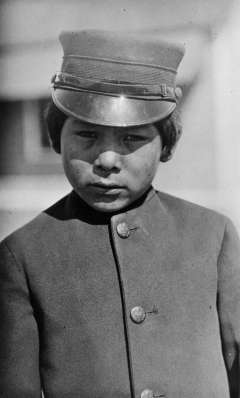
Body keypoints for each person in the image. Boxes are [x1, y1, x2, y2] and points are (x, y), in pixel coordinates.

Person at [0, 30, 239, 398]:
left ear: (167, 145)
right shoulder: (22, 254)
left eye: (131, 139)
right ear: (54, 137)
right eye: (87, 135)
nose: (107, 160)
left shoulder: (212, 235)